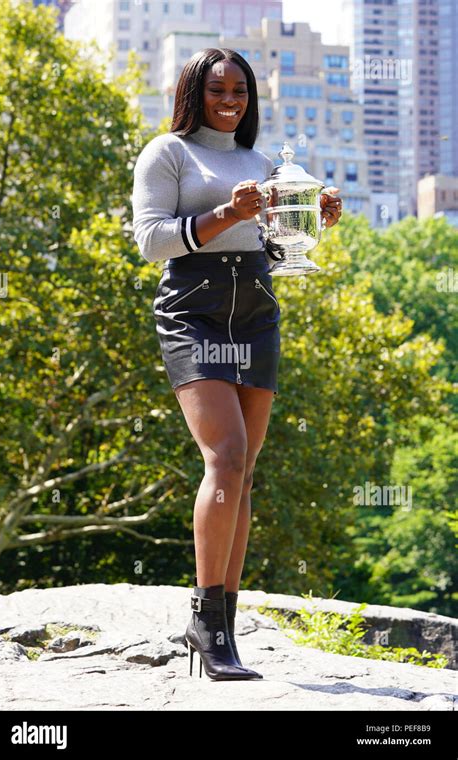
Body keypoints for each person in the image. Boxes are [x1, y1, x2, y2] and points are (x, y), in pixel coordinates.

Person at [131, 48, 342, 682]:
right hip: (192, 311)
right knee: (222, 456)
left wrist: (311, 224)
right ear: (193, 92)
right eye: (217, 89)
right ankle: (203, 615)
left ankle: (223, 626)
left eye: (240, 91)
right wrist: (227, 212)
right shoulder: (166, 153)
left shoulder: (261, 162)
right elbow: (150, 241)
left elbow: (271, 249)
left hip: (256, 311)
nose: (230, 100)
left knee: (244, 471)